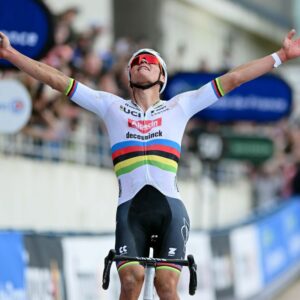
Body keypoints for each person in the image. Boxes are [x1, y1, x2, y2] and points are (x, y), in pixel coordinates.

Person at [1, 29, 300, 300]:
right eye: (136, 62)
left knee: (166, 286)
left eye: (149, 61)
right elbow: (56, 80)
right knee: (131, 281)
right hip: (131, 211)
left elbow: (234, 78)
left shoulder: (180, 106)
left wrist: (280, 56)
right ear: (129, 75)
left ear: (162, 76)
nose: (142, 62)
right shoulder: (110, 105)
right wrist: (11, 54)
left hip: (170, 209)